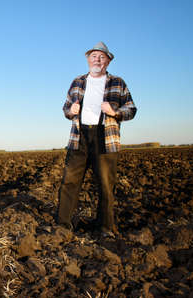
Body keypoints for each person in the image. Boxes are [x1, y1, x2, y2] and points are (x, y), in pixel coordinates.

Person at [57, 41, 137, 238]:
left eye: (102, 57)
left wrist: (114, 112)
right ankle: (63, 226)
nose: (97, 60)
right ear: (88, 59)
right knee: (70, 181)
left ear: (108, 62)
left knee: (105, 184)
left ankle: (106, 227)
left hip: (105, 137)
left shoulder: (118, 82)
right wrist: (71, 111)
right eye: (94, 56)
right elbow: (66, 107)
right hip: (79, 137)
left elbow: (132, 109)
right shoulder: (77, 82)